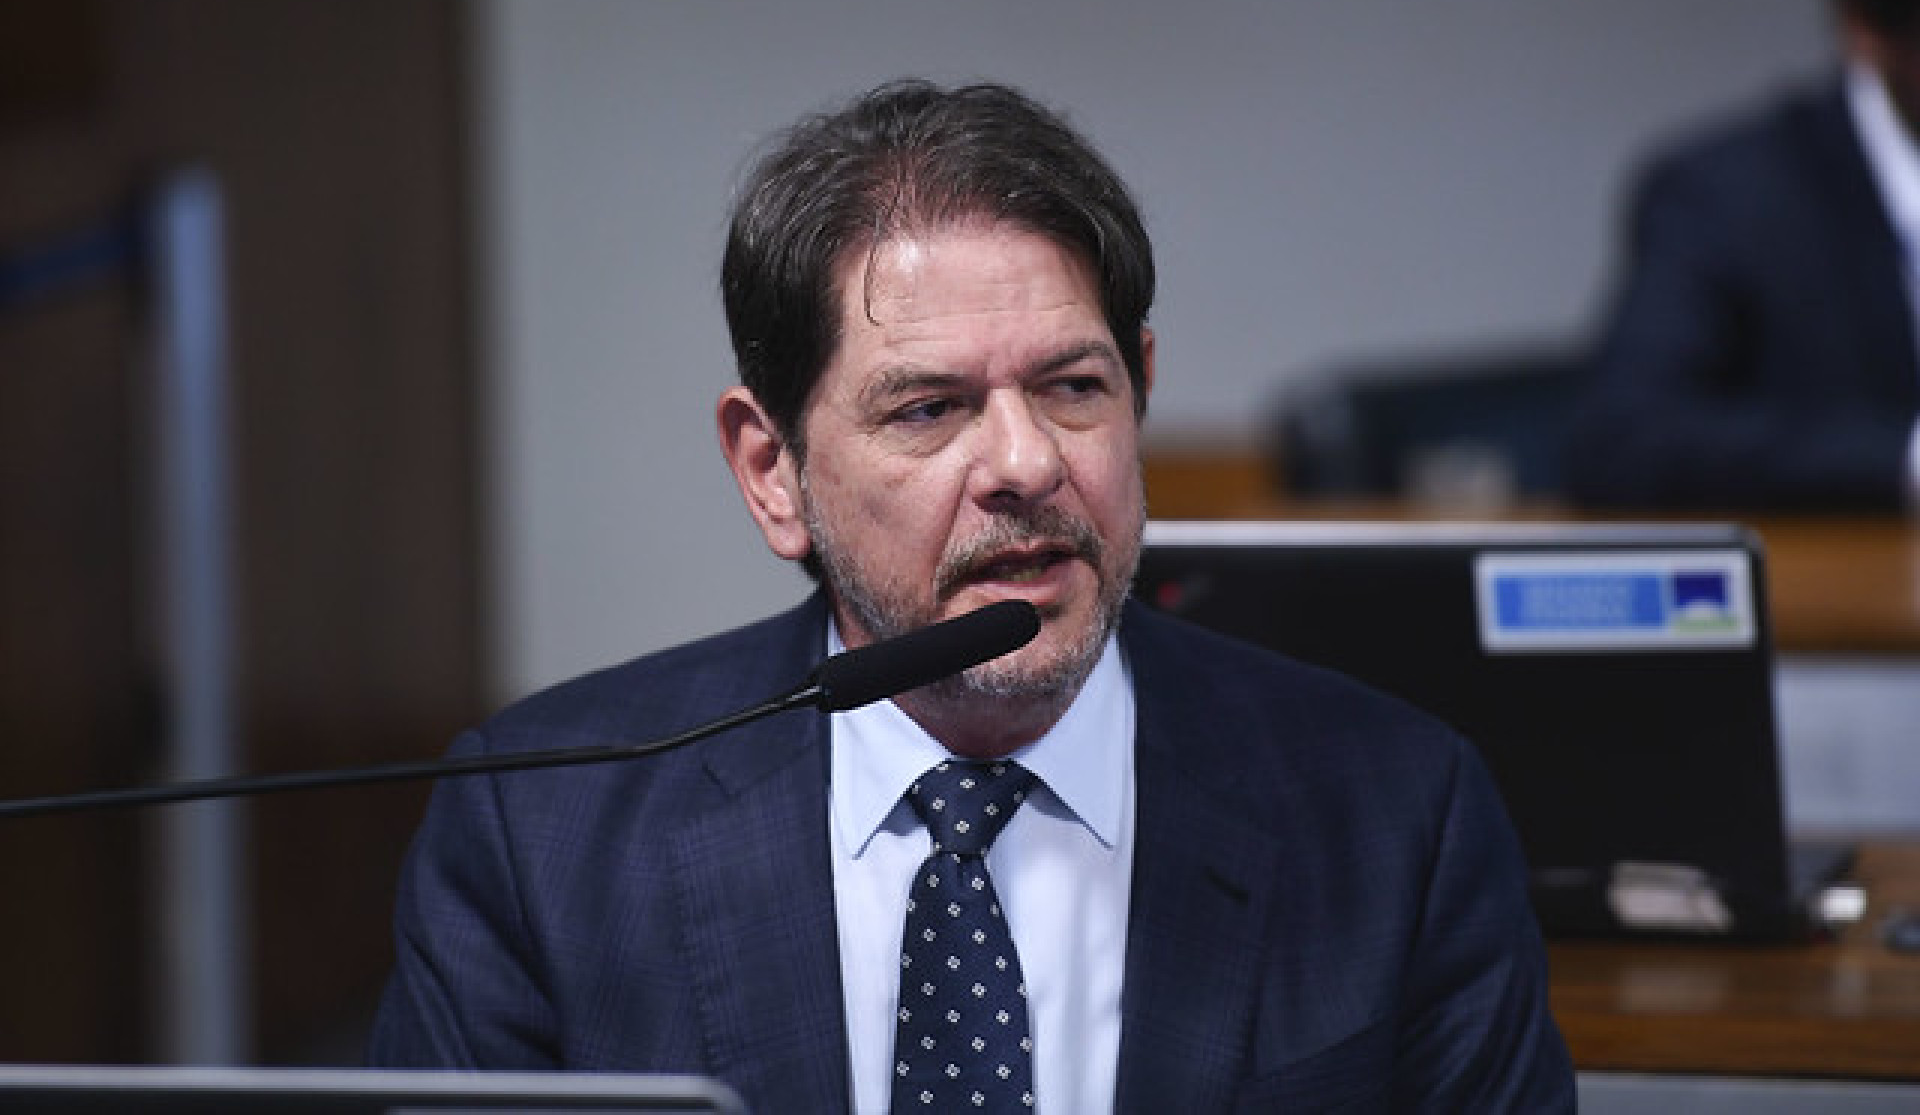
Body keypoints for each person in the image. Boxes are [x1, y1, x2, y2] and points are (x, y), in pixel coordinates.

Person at [367, 80, 1573, 1111]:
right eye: (928, 408)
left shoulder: (1397, 817)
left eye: (1072, 388)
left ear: (1138, 392)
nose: (1027, 464)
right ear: (771, 471)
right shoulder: (541, 840)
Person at [1566, 0, 1920, 511]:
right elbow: (1624, 441)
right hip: (1851, 607)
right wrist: (1906, 455)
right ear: (1866, 27)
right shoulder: (1728, 196)